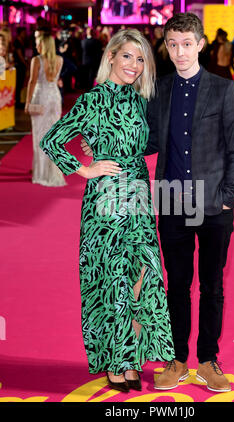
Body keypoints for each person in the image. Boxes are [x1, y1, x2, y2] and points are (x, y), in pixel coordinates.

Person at [82, 13, 234, 393]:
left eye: (187, 44)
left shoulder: (223, 90)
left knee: (212, 287)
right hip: (172, 202)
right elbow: (147, 143)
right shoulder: (160, 90)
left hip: (213, 205)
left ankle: (207, 359)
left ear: (201, 45)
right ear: (167, 46)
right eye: (172, 45)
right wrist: (101, 148)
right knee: (175, 285)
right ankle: (176, 360)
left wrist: (227, 198)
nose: (180, 52)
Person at [39, 28, 175, 393]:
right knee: (113, 278)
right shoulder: (93, 100)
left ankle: (132, 357)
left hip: (139, 195)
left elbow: (144, 144)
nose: (133, 64)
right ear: (112, 56)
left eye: (140, 58)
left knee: (142, 275)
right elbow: (50, 140)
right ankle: (118, 362)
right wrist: (86, 168)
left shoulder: (139, 99)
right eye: (127, 56)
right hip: (107, 199)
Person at [25, 34, 66, 187]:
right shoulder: (60, 60)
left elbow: (32, 81)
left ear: (44, 45)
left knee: (39, 135)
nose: (36, 46)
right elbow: (56, 79)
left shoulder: (37, 60)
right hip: (55, 98)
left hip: (41, 97)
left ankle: (41, 172)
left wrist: (27, 102)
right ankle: (51, 171)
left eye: (38, 43)